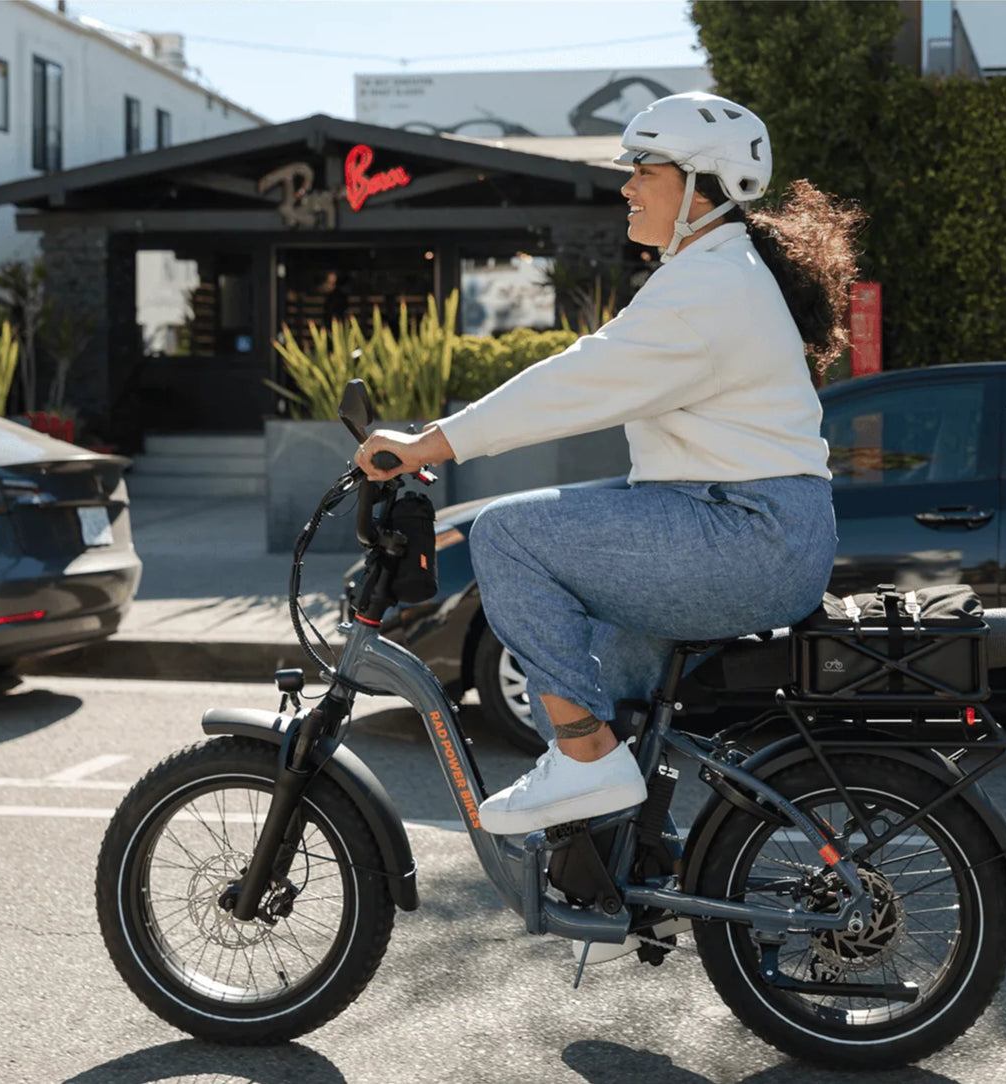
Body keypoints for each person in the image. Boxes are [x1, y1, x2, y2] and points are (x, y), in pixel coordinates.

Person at [353, 92, 863, 835]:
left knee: (506, 535)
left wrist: (431, 441)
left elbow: (574, 381)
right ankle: (614, 854)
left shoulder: (709, 288)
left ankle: (585, 758)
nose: (625, 184)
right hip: (744, 526)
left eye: (642, 170)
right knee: (605, 664)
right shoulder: (716, 272)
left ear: (698, 184)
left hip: (745, 534)